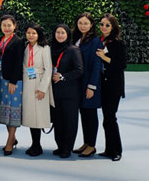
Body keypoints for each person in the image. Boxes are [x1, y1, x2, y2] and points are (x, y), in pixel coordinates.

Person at [72, 12, 103, 157]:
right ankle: (86, 142)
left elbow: (97, 65)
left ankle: (92, 145)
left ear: (91, 25)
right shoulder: (77, 39)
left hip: (89, 83)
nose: (82, 26)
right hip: (78, 83)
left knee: (90, 114)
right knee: (83, 113)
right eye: (80, 23)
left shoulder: (96, 41)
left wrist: (92, 86)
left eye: (86, 23)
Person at [96, 13, 126, 162]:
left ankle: (116, 150)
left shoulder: (117, 43)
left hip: (113, 86)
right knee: (107, 119)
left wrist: (104, 57)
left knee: (110, 118)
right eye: (102, 24)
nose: (104, 27)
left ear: (113, 27)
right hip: (103, 85)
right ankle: (109, 149)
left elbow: (121, 65)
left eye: (107, 25)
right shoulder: (100, 41)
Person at [50, 24, 83, 158]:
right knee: (58, 121)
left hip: (70, 93)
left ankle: (67, 148)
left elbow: (79, 70)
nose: (60, 35)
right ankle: (60, 146)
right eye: (58, 32)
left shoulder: (73, 50)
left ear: (68, 35)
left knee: (69, 121)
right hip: (55, 92)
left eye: (63, 33)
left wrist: (63, 77)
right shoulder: (52, 49)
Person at [22, 23, 53, 157]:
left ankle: (37, 145)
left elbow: (48, 69)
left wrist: (42, 88)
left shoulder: (44, 48)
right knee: (30, 116)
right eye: (29, 33)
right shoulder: (26, 47)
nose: (31, 35)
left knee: (38, 116)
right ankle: (34, 144)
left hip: (39, 83)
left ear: (39, 34)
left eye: (34, 33)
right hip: (27, 83)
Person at [0, 15, 24, 155]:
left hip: (13, 81)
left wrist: (13, 81)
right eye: (4, 25)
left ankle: (9, 141)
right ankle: (12, 138)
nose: (6, 28)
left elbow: (19, 62)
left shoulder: (18, 41)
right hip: (1, 79)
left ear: (14, 26)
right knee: (5, 110)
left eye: (9, 25)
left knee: (13, 109)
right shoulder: (1, 40)